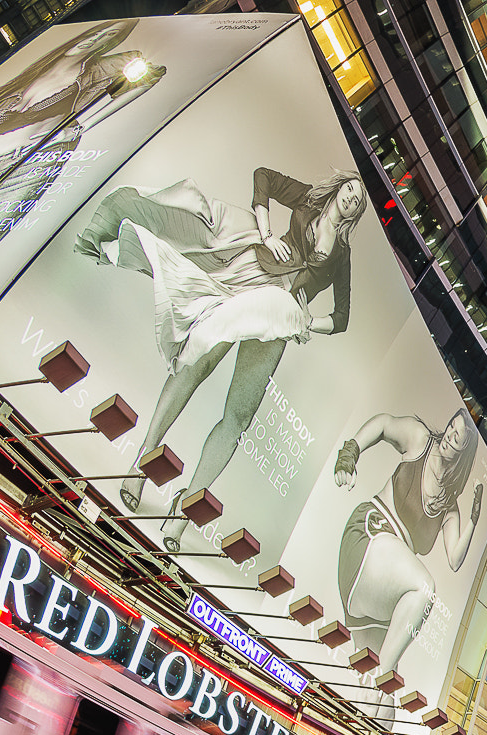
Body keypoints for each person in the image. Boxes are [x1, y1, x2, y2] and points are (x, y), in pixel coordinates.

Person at [75, 168, 366, 547]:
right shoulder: (309, 198)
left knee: (239, 416)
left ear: (356, 213)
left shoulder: (341, 253)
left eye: (358, 200)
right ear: (339, 188)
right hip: (254, 278)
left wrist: (311, 323)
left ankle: (184, 508)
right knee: (197, 361)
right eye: (350, 190)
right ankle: (142, 461)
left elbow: (342, 318)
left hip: (278, 316)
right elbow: (261, 177)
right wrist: (266, 235)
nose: (351, 198)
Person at [0, 21, 163, 293]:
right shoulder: (25, 78)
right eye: (99, 31)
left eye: (111, 35)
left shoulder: (93, 78)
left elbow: (146, 78)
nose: (97, 37)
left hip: (8, 179)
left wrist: (73, 127)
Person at [333, 409, 487, 678]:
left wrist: (473, 520)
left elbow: (454, 559)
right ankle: (385, 674)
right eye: (452, 425)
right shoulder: (420, 440)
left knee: (381, 709)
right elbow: (383, 424)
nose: (450, 434)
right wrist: (351, 452)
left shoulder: (448, 506)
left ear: (463, 452)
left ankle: (377, 689)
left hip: (383, 595)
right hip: (369, 539)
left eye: (459, 436)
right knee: (425, 587)